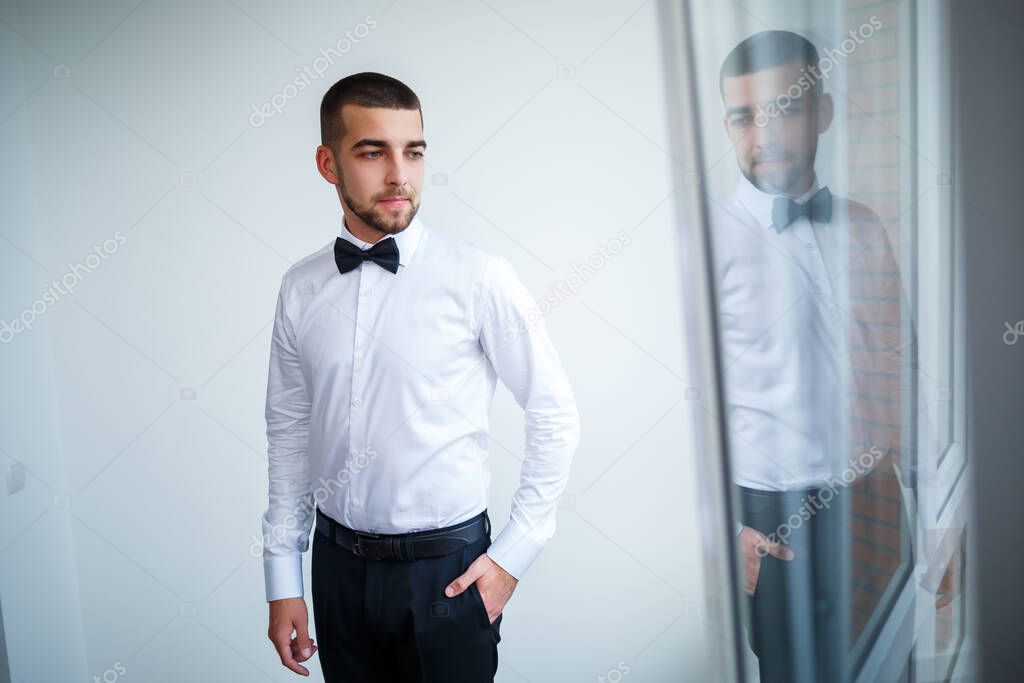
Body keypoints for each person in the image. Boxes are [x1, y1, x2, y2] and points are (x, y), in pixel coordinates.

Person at [260, 72, 581, 682]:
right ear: (329, 164)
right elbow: (289, 432)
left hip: (447, 575)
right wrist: (283, 577)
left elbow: (553, 411)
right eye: (372, 151)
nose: (398, 175)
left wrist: (515, 554)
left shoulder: (480, 277)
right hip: (336, 570)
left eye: (414, 151)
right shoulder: (299, 288)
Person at [715, 31, 910, 682]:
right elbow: (675, 404)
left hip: (880, 499)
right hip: (774, 519)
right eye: (744, 116)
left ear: (822, 113)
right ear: (726, 125)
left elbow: (897, 364)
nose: (761, 134)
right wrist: (727, 527)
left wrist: (934, 513)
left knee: (895, 661)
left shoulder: (863, 223)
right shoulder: (706, 244)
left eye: (783, 110)